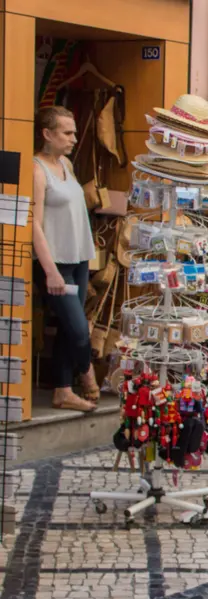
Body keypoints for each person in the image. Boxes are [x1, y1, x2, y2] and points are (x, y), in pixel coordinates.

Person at [31, 106, 99, 412]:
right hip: (55, 263)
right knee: (78, 329)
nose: (73, 138)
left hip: (79, 258)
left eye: (73, 132)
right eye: (67, 132)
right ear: (47, 134)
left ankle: (62, 391)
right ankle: (88, 373)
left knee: (68, 327)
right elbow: (33, 222)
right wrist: (49, 271)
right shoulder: (36, 169)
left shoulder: (66, 164)